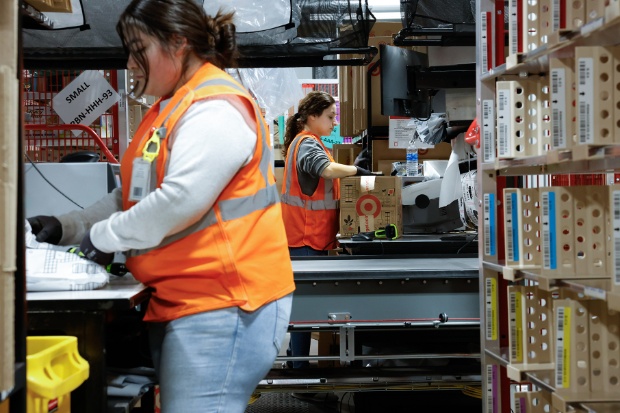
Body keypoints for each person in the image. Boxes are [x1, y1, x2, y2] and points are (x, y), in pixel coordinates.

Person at [27, 1, 295, 411]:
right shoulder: (171, 107)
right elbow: (132, 196)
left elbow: (179, 200)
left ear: (178, 43)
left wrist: (103, 236)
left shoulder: (214, 108)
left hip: (225, 305)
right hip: (188, 300)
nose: (130, 64)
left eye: (139, 49)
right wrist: (67, 225)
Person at [280, 91, 378, 398]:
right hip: (304, 238)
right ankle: (300, 378)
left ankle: (300, 372)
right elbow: (323, 169)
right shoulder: (308, 142)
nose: (334, 122)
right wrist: (356, 170)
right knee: (303, 311)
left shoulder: (309, 141)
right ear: (311, 117)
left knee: (303, 310)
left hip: (309, 238)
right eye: (330, 117)